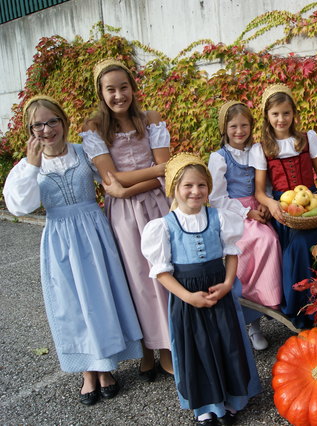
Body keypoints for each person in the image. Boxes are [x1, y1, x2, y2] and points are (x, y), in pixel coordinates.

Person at [3, 95, 142, 405]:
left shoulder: (83, 152)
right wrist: (31, 165)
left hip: (94, 233)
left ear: (63, 122)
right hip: (60, 239)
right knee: (72, 305)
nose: (47, 129)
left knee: (102, 299)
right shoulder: (27, 167)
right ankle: (87, 371)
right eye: (37, 124)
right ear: (29, 130)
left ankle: (105, 367)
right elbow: (20, 206)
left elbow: (112, 181)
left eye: (52, 121)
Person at [141, 153, 261, 425]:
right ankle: (206, 406)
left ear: (209, 187)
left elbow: (231, 253)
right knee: (196, 349)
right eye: (188, 186)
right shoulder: (163, 226)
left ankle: (233, 399)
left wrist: (229, 283)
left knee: (227, 344)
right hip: (187, 297)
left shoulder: (220, 218)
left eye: (201, 185)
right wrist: (187, 297)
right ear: (174, 188)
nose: (196, 191)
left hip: (220, 290)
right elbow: (161, 271)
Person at [81, 59, 173, 380]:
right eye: (111, 89)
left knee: (164, 271)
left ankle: (168, 348)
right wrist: (152, 173)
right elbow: (111, 178)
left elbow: (164, 172)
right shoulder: (94, 129)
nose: (119, 95)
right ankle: (148, 348)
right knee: (137, 278)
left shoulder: (151, 119)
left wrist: (131, 183)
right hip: (123, 216)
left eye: (124, 87)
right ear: (101, 93)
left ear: (133, 88)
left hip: (157, 206)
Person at [253, 84, 317, 328]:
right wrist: (270, 204)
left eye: (286, 113)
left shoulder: (307, 138)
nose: (281, 119)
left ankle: (310, 310)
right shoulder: (262, 148)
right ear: (267, 117)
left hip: (311, 202)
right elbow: (260, 191)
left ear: (294, 113)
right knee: (294, 248)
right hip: (283, 206)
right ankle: (300, 310)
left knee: (300, 247)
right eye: (275, 114)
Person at [207, 101, 283, 350]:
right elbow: (217, 197)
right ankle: (249, 323)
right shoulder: (219, 158)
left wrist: (264, 204)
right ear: (224, 128)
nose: (239, 131)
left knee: (269, 240)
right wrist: (246, 211)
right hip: (233, 212)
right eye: (233, 126)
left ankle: (264, 308)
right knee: (245, 248)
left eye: (244, 125)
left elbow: (265, 183)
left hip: (256, 207)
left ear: (251, 126)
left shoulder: (257, 150)